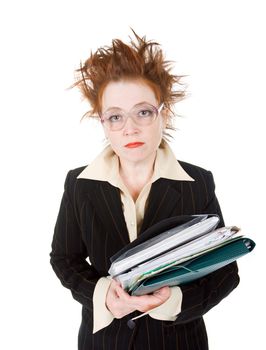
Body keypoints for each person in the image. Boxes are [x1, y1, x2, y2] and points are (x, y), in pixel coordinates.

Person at [50, 31, 240, 350]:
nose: (130, 128)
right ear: (103, 123)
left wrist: (172, 301)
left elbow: (225, 271)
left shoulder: (198, 182)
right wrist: (103, 296)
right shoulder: (79, 184)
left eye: (143, 112)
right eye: (115, 117)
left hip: (179, 342)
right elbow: (64, 259)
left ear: (162, 114)